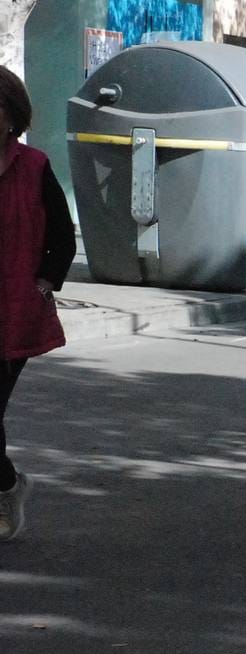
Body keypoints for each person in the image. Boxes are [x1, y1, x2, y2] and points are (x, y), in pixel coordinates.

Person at [0, 65, 74, 541]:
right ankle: (9, 486)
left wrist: (43, 285)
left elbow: (62, 240)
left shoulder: (34, 167)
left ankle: (8, 489)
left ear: (10, 116)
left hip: (14, 314)